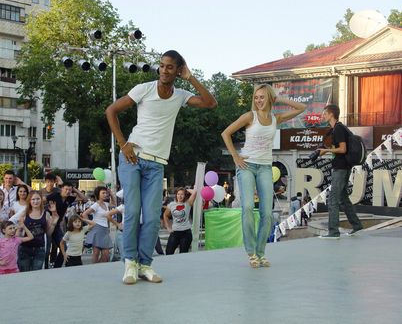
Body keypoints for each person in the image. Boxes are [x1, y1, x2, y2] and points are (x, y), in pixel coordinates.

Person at [106, 50, 217, 284]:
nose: (164, 70)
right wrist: (123, 143)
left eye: (170, 67)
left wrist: (191, 77)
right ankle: (130, 263)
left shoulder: (181, 95)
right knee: (134, 211)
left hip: (157, 164)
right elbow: (111, 111)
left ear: (178, 70)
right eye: (162, 66)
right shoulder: (143, 89)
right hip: (133, 158)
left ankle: (145, 264)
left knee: (154, 218)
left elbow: (210, 103)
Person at [221, 83, 306, 268]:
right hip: (247, 166)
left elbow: (302, 108)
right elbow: (225, 133)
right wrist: (235, 156)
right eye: (256, 97)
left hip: (266, 167)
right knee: (248, 207)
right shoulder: (249, 116)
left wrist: (280, 98)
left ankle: (260, 253)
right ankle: (250, 252)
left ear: (269, 98)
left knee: (267, 213)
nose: (258, 100)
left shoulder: (276, 118)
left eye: (262, 97)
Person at [318, 104, 363, 239]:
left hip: (341, 168)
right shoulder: (339, 128)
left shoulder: (338, 129)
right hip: (344, 166)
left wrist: (326, 150)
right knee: (343, 198)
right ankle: (357, 225)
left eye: (325, 113)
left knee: (333, 199)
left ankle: (333, 232)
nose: (323, 115)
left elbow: (342, 149)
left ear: (331, 114)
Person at [46, 182, 87, 268]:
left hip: (57, 226)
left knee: (63, 248)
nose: (68, 191)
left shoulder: (69, 198)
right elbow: (43, 201)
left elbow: (84, 198)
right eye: (66, 189)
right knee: (47, 248)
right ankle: (46, 267)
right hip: (48, 224)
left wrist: (74, 189)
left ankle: (57, 267)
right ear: (62, 189)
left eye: (70, 190)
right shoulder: (54, 196)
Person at [18, 191, 59, 272]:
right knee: (24, 273)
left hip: (39, 249)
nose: (35, 201)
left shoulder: (46, 214)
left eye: (38, 199)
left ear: (41, 200)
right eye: (33, 199)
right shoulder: (24, 214)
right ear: (29, 201)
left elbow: (48, 233)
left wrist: (54, 222)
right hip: (25, 248)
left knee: (37, 273)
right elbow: (19, 231)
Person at [81, 186, 115, 264]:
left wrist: (111, 194)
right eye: (103, 193)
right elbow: (84, 214)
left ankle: (100, 268)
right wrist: (90, 224)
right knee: (96, 253)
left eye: (105, 193)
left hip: (105, 230)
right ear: (98, 194)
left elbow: (114, 205)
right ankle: (94, 269)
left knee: (106, 255)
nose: (105, 194)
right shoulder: (95, 205)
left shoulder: (106, 204)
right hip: (97, 228)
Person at [163, 187, 197, 255]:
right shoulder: (171, 205)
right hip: (175, 233)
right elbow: (165, 215)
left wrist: (185, 190)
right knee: (168, 253)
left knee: (183, 255)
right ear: (176, 195)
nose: (180, 196)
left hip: (186, 233)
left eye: (182, 194)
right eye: (178, 194)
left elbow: (194, 192)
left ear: (185, 196)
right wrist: (168, 227)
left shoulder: (188, 203)